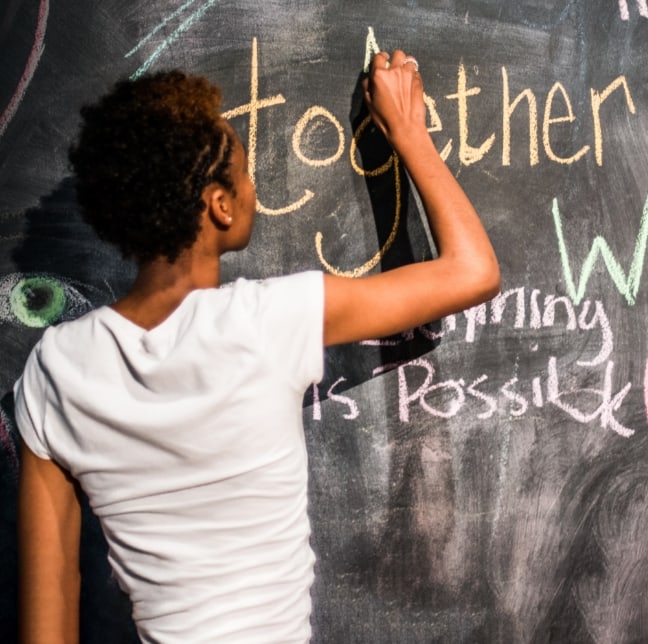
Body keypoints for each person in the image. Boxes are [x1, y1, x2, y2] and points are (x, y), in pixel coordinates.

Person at [15, 50, 500, 643]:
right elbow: (472, 271)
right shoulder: (266, 320)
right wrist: (408, 131)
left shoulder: (55, 371)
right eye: (244, 172)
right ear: (220, 206)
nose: (253, 185)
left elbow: (49, 612)